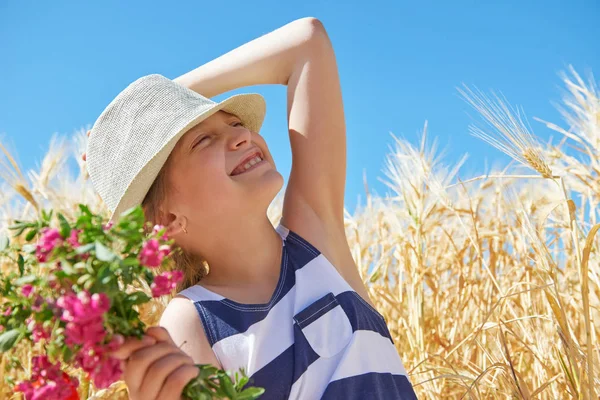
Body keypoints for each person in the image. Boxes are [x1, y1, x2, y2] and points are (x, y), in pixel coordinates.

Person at [85, 17, 417, 400]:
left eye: (237, 123)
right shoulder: (193, 320)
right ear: (167, 219)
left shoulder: (316, 243)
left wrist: (161, 104)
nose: (242, 135)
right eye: (204, 139)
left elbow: (307, 42)